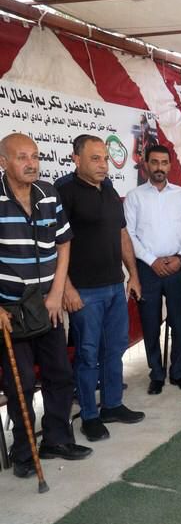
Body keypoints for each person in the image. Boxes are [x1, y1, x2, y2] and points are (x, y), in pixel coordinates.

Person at [0, 134, 92, 478]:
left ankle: (57, 439)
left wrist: (57, 293)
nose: (31, 163)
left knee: (59, 375)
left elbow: (63, 244)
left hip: (48, 305)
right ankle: (24, 451)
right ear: (3, 162)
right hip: (10, 311)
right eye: (22, 157)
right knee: (21, 383)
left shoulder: (48, 193)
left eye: (35, 156)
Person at [58, 134, 145, 442]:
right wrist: (66, 288)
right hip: (84, 292)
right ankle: (90, 416)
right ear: (76, 159)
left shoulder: (108, 189)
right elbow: (55, 245)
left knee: (115, 349)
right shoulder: (64, 192)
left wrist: (133, 274)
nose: (103, 165)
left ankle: (112, 405)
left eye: (105, 159)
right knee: (87, 354)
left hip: (114, 286)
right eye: (95, 158)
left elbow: (122, 234)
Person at [124, 144, 181, 395]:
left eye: (164, 163)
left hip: (177, 267)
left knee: (179, 322)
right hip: (147, 270)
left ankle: (179, 372)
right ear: (145, 164)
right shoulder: (134, 196)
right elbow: (129, 235)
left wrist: (180, 257)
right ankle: (156, 374)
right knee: (150, 324)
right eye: (154, 162)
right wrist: (151, 260)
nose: (159, 167)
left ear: (170, 165)